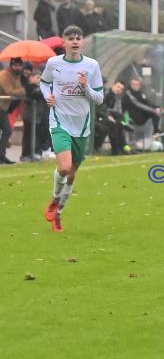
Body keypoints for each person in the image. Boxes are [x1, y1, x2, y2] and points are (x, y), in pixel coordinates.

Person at [40, 25, 104, 232]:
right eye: (71, 38)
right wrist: (47, 97)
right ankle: (54, 199)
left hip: (81, 125)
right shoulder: (54, 63)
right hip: (59, 121)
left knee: (72, 175)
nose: (75, 41)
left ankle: (58, 214)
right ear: (63, 42)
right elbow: (43, 83)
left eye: (78, 37)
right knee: (65, 167)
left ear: (82, 41)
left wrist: (86, 87)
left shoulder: (92, 65)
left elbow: (100, 99)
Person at [94, 80, 131, 155]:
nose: (119, 89)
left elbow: (109, 110)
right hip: (96, 118)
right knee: (112, 124)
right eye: (118, 87)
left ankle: (121, 147)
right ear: (113, 85)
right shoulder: (106, 93)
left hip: (103, 117)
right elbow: (98, 108)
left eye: (121, 89)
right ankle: (114, 149)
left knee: (118, 123)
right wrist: (108, 116)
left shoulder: (114, 97)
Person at [0, 57, 26, 165]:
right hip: (1, 105)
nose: (18, 67)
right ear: (11, 65)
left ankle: (2, 155)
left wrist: (19, 90)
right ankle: (1, 155)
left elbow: (16, 89)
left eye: (19, 65)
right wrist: (23, 90)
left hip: (4, 106)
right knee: (7, 130)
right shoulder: (4, 75)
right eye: (15, 65)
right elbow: (9, 91)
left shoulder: (16, 76)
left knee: (6, 130)